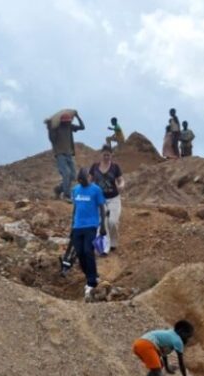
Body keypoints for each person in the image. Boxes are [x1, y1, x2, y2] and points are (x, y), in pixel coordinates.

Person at [70, 168, 106, 302]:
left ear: (88, 178)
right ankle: (91, 274)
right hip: (77, 226)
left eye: (84, 180)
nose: (82, 182)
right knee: (79, 253)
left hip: (91, 225)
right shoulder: (75, 190)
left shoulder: (96, 190)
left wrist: (102, 226)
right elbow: (75, 208)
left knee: (88, 251)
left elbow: (102, 207)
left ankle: (91, 282)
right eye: (80, 181)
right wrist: (72, 225)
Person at [89, 145, 125, 254]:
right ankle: (104, 248)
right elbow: (89, 180)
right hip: (100, 200)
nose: (106, 157)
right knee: (102, 223)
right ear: (101, 155)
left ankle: (113, 242)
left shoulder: (115, 167)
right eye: (104, 155)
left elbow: (121, 180)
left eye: (108, 155)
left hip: (114, 198)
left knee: (112, 222)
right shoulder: (95, 167)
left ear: (111, 155)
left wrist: (121, 185)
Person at [46, 110, 85, 201]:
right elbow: (52, 139)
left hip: (69, 154)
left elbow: (82, 127)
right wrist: (50, 128)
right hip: (60, 154)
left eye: (69, 122)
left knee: (73, 175)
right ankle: (67, 196)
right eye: (66, 122)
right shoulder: (56, 129)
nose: (67, 123)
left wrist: (78, 117)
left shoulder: (70, 127)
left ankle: (59, 189)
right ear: (62, 122)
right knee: (66, 174)